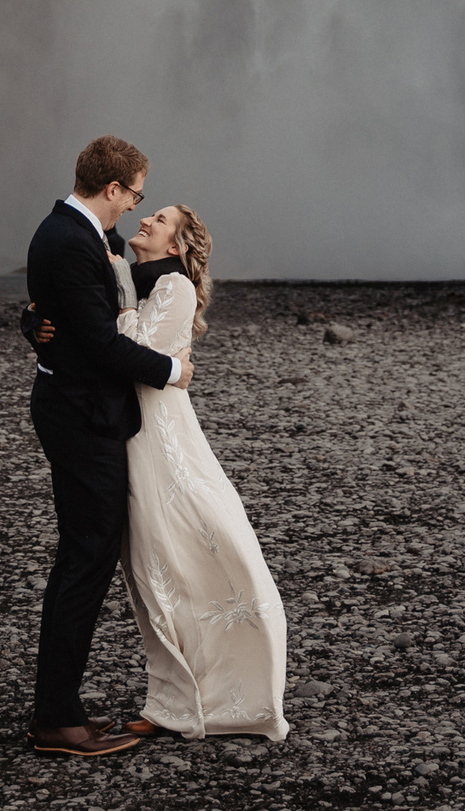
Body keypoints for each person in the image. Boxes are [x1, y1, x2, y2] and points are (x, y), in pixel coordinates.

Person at [21, 135, 193, 757]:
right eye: (136, 195)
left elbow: (78, 306)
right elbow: (98, 341)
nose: (135, 209)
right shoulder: (69, 239)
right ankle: (58, 718)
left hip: (81, 410)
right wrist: (174, 372)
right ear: (113, 188)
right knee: (87, 558)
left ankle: (59, 708)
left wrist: (35, 322)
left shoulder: (86, 236)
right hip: (80, 416)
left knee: (83, 557)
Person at [113, 202, 289, 741]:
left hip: (163, 445)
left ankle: (213, 697)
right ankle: (177, 700)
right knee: (154, 573)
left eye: (159, 219)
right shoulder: (147, 286)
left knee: (184, 561)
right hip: (139, 440)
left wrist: (116, 287)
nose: (145, 220)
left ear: (176, 247)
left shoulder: (174, 288)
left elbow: (135, 350)